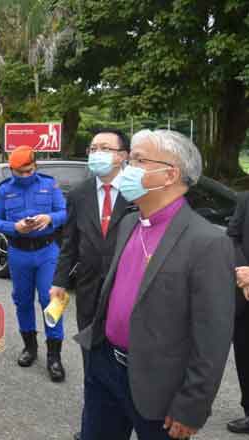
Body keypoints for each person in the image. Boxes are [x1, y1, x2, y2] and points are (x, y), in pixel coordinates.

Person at [73, 129, 235, 440]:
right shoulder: (130, 222)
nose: (126, 168)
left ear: (170, 174)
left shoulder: (208, 242)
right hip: (105, 368)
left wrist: (193, 405)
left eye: (137, 160)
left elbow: (212, 338)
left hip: (160, 386)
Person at [50, 129, 131, 440]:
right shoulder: (80, 194)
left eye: (105, 148)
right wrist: (59, 281)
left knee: (128, 368)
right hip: (89, 294)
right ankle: (94, 427)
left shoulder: (140, 192)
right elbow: (69, 243)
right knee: (93, 368)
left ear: (123, 155)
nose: (97, 153)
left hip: (128, 294)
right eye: (93, 147)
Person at [0, 145, 67, 381]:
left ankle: (54, 356)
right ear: (11, 169)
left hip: (47, 251)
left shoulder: (49, 184)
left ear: (36, 166)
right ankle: (30, 348)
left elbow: (64, 211)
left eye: (29, 171)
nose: (24, 176)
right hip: (18, 253)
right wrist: (14, 227)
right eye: (19, 172)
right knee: (22, 300)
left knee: (51, 299)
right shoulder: (3, 191)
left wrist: (49, 218)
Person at [225, 191, 249, 434]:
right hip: (245, 294)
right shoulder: (246, 200)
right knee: (245, 355)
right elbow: (232, 237)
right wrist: (244, 273)